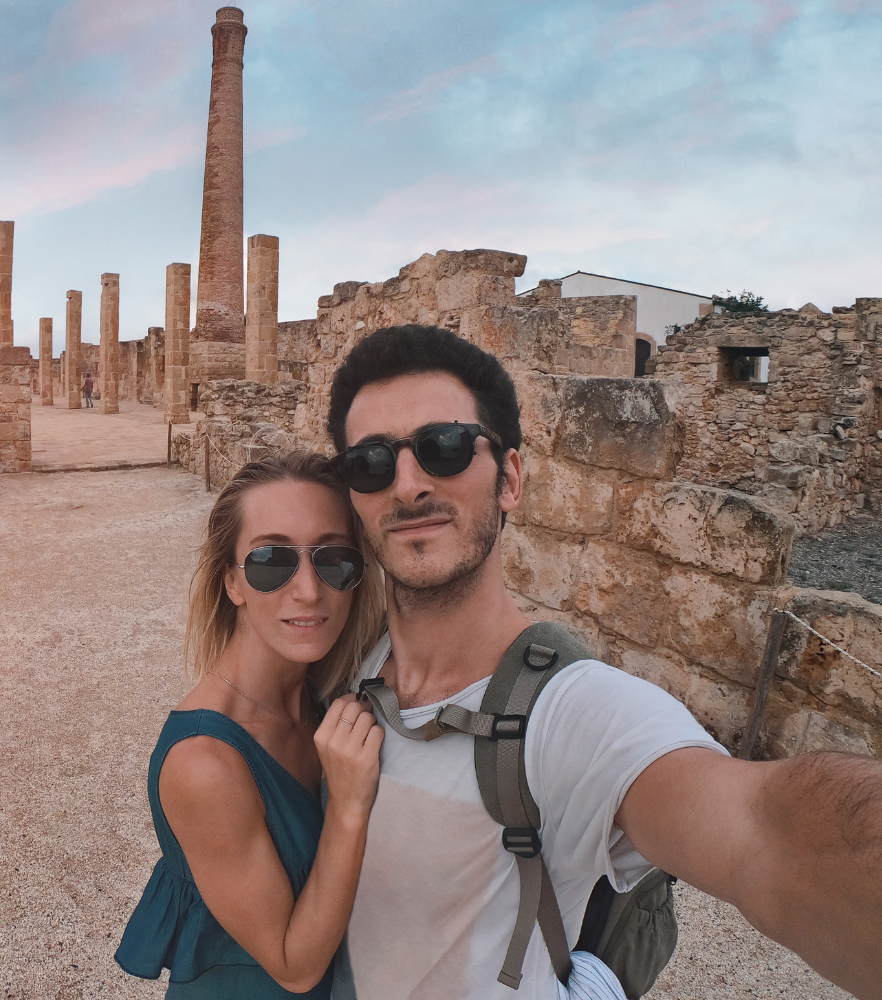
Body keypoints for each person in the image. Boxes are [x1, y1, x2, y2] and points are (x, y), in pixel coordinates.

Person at [325, 325, 882, 1000]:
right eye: (371, 464)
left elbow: (764, 830)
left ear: (509, 478)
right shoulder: (345, 661)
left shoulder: (577, 712)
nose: (407, 485)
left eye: (442, 449)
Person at [115, 451, 386, 997]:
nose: (309, 590)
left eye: (334, 559)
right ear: (233, 583)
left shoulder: (324, 693)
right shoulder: (204, 763)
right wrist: (350, 806)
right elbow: (294, 964)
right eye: (271, 562)